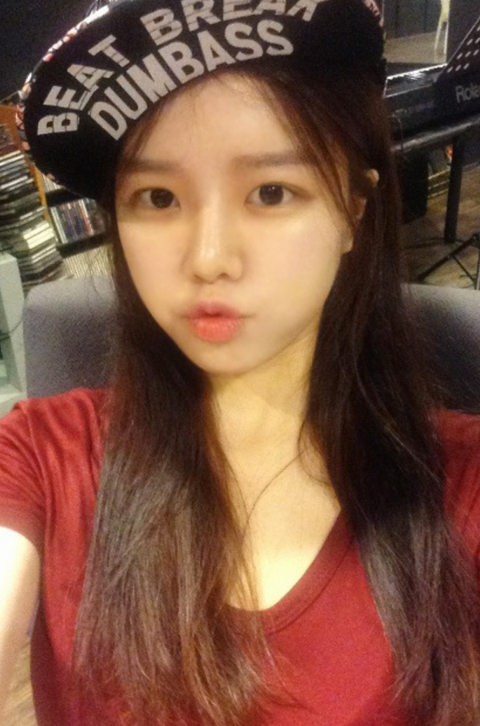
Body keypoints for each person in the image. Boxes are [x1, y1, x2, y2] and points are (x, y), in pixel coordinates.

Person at [1, 0, 480, 724]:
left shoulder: (458, 483)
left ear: (353, 210)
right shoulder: (44, 455)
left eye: (270, 193)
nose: (209, 258)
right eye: (158, 197)